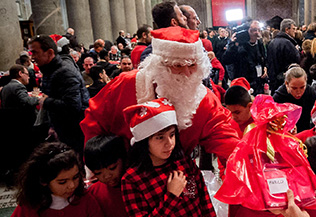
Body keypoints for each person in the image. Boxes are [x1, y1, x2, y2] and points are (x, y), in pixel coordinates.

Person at [80, 26, 240, 166]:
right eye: (177, 65)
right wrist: (98, 165)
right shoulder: (127, 84)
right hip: (125, 177)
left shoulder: (204, 98)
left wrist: (244, 161)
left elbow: (224, 136)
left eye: (192, 64)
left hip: (178, 177)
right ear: (159, 66)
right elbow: (94, 120)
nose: (186, 73)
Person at [120, 99, 219, 217]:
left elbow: (205, 203)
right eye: (160, 138)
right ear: (144, 141)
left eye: (172, 135)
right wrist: (171, 196)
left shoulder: (183, 162)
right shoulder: (132, 179)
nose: (169, 143)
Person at [0, 142, 122, 217]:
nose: (72, 186)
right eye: (62, 182)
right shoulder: (30, 204)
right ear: (44, 181)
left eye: (75, 177)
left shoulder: (86, 199)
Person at [29, 35, 90, 153]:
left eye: (35, 52)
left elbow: (73, 106)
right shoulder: (49, 70)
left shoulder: (64, 72)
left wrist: (46, 102)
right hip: (64, 129)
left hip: (75, 132)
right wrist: (53, 126)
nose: (33, 57)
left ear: (50, 52)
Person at [84, 135, 136, 217]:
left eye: (112, 168)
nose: (107, 176)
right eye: (99, 173)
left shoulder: (136, 184)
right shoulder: (93, 193)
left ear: (124, 159)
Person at [222, 20, 267, 95]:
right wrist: (232, 44)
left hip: (258, 82)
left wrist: (265, 67)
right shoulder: (239, 45)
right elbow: (226, 60)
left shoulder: (260, 43)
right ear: (248, 30)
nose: (257, 32)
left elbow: (264, 58)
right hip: (243, 82)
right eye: (254, 30)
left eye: (259, 30)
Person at [273, 65, 316, 132]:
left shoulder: (311, 92)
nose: (298, 92)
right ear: (286, 84)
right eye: (294, 88)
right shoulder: (279, 97)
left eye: (302, 87)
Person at [267, 19, 301, 93]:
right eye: (293, 29)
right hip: (284, 79)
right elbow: (295, 61)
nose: (295, 31)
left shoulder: (272, 42)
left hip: (274, 79)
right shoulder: (288, 44)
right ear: (287, 30)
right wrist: (297, 51)